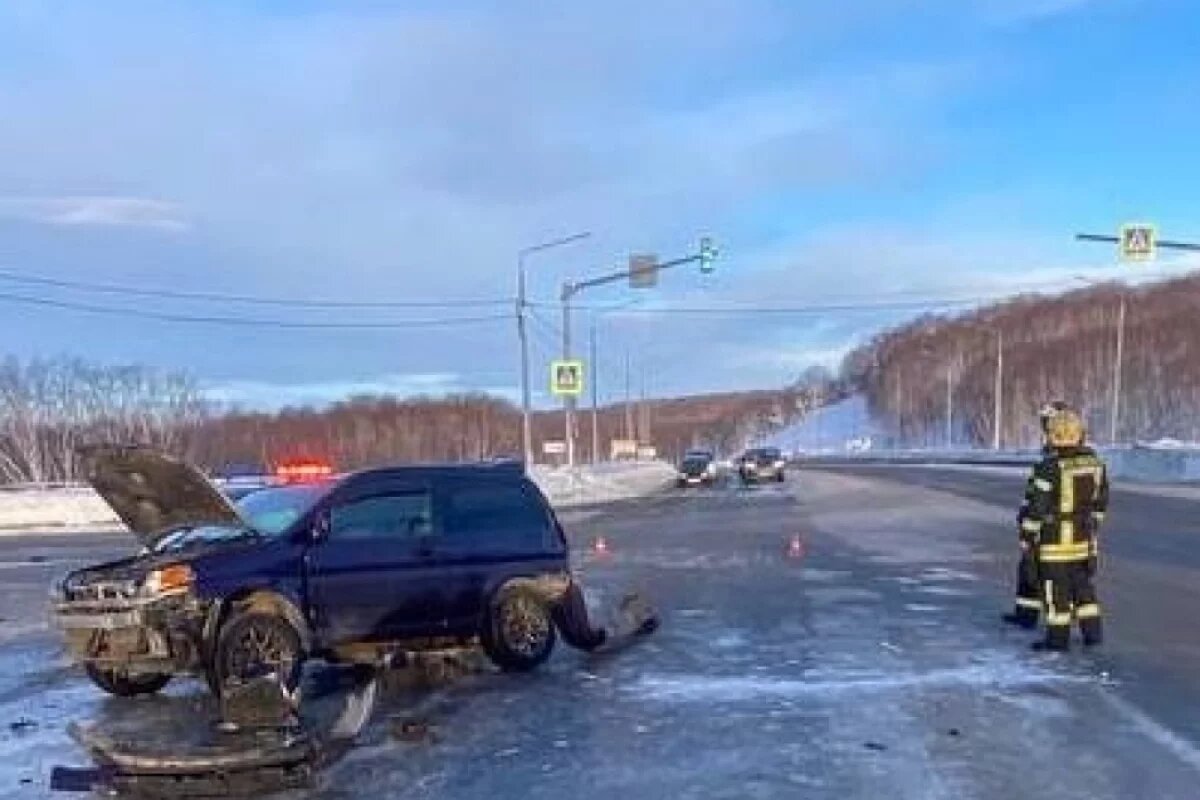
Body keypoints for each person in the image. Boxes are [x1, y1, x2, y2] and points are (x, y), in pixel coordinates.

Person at [1019, 405, 1109, 651]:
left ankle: (1057, 641)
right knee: (1083, 589)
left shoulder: (1048, 467)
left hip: (1054, 543)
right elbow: (1101, 500)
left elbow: (1037, 507)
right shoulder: (1095, 463)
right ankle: (1093, 634)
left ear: (1053, 436)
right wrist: (1093, 525)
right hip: (1083, 539)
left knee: (1055, 592)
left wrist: (1027, 534)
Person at [1003, 400, 1068, 629]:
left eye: (1048, 421)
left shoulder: (1062, 450)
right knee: (1027, 567)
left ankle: (1055, 624)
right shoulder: (1050, 449)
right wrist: (1025, 512)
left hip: (1050, 523)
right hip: (1040, 516)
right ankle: (1025, 613)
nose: (1045, 426)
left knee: (1040, 569)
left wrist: (1033, 519)